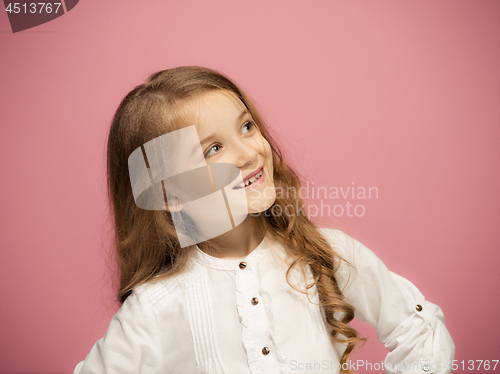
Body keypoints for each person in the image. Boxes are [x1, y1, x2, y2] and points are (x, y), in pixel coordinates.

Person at [73, 66, 455, 374]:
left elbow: (419, 331)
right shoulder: (156, 307)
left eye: (246, 126)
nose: (249, 152)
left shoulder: (326, 254)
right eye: (213, 149)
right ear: (169, 194)